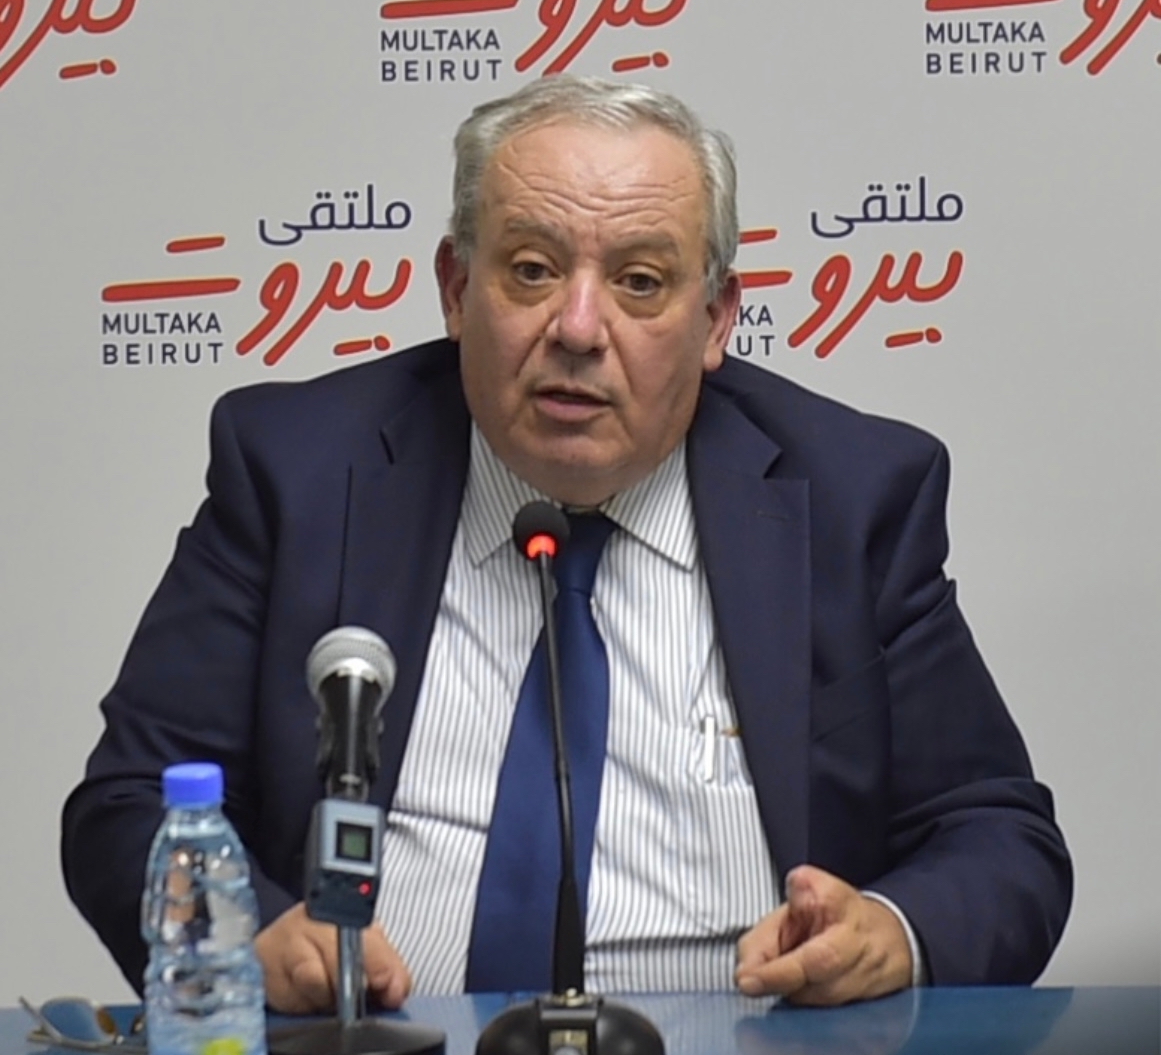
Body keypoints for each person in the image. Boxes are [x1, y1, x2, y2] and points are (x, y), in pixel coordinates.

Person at [62, 75, 1071, 1013]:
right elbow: (131, 803)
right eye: (533, 270)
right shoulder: (300, 473)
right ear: (457, 288)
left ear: (715, 320)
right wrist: (251, 935)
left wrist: (887, 933)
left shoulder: (851, 498)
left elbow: (998, 836)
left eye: (640, 282)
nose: (579, 328)